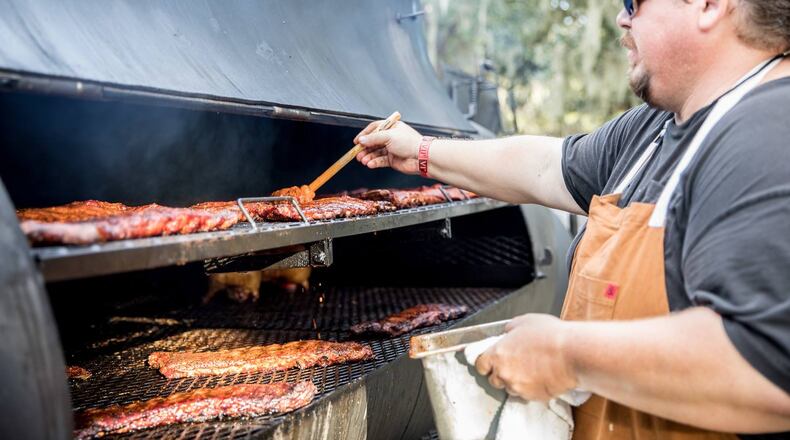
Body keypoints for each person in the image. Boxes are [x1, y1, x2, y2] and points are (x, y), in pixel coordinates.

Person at [354, 0, 790, 437]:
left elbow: (769, 370)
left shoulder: (769, 132)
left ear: (707, 6)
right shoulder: (655, 128)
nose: (622, 18)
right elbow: (545, 166)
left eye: (633, 4)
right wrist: (423, 152)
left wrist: (566, 354)